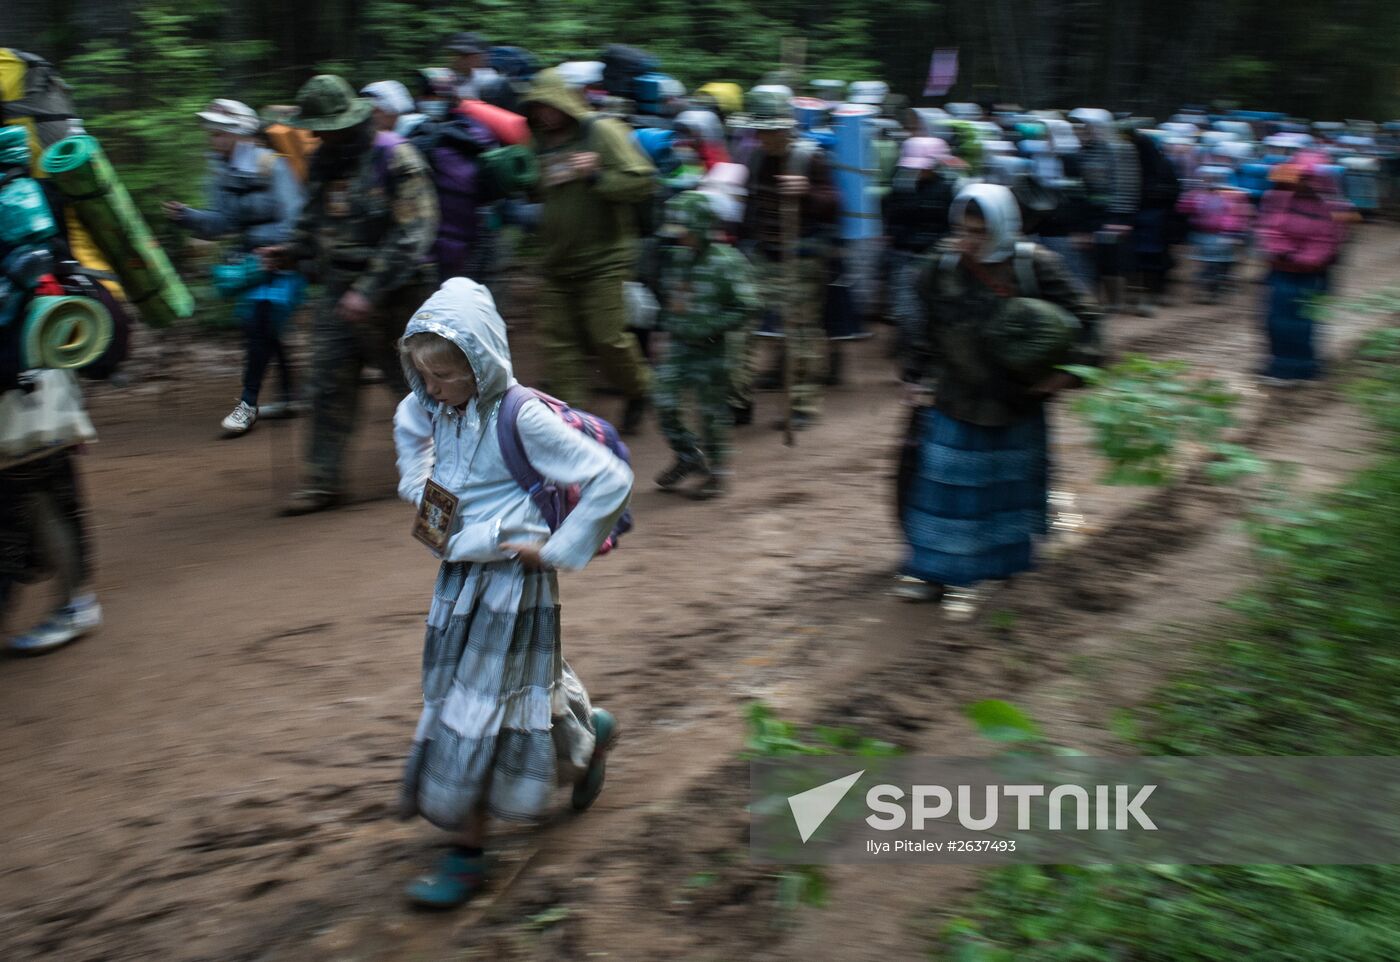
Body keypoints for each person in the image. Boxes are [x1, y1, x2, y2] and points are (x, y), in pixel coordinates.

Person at [392, 277, 631, 909]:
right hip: (460, 581)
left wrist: (552, 550)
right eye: (424, 374)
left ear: (482, 362)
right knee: (516, 689)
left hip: (513, 584)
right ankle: (591, 738)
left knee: (471, 707)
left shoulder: (520, 414)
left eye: (446, 376)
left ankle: (468, 856)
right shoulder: (434, 406)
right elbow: (416, 456)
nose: (432, 389)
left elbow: (608, 479)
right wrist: (427, 499)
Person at [897, 184, 1103, 606]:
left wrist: (1066, 374)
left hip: (1017, 402)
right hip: (954, 398)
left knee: (1003, 492)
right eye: (962, 229)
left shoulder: (1036, 266)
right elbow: (924, 328)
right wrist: (915, 378)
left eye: (980, 231)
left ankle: (998, 568)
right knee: (943, 492)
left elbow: (1088, 322)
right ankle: (933, 572)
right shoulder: (940, 266)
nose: (969, 241)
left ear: (1004, 226)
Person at [257, 75, 439, 515]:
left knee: (418, 387)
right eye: (316, 126)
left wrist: (369, 290)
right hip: (338, 292)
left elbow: (414, 232)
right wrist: (290, 250)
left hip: (395, 293)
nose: (319, 134)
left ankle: (454, 468)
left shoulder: (396, 158)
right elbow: (314, 220)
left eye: (327, 126)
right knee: (325, 383)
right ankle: (323, 482)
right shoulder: (323, 161)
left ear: (351, 121)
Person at [519, 68, 656, 434]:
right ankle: (573, 428)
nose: (544, 115)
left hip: (604, 260)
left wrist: (597, 176)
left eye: (549, 106)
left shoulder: (601, 132)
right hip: (556, 262)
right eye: (537, 108)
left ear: (565, 101)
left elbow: (642, 181)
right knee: (559, 347)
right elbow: (539, 190)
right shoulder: (539, 142)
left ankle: (640, 390)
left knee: (607, 338)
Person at [164, 99, 305, 435]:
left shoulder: (273, 166)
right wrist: (188, 217)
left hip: (284, 261)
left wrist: (283, 247)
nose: (213, 139)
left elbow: (296, 216)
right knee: (263, 328)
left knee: (262, 319)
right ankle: (288, 398)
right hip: (252, 265)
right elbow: (221, 225)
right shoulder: (222, 172)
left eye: (219, 133)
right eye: (212, 133)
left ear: (239, 133)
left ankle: (248, 403)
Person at [733, 89, 838, 432]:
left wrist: (806, 191)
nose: (764, 137)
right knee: (738, 326)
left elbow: (834, 204)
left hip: (802, 256)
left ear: (785, 129)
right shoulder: (755, 159)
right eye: (759, 131)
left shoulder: (810, 158)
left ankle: (802, 404)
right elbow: (749, 206)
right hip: (763, 255)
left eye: (770, 130)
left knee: (801, 334)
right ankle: (738, 399)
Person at [652, 191, 759, 499]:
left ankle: (718, 472)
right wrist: (663, 332)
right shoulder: (678, 259)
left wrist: (711, 326)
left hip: (714, 349)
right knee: (663, 401)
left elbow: (748, 305)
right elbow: (672, 300)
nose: (679, 237)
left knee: (711, 414)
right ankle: (688, 455)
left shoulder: (727, 262)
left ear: (700, 227)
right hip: (680, 345)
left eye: (684, 230)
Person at [1, 370, 103, 654]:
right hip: (41, 406)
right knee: (44, 503)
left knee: (38, 503)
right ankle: (75, 604)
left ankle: (75, 605)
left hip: (22, 414)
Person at [1255, 159, 1351, 382]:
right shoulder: (1279, 199)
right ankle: (1280, 363)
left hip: (1313, 273)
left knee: (1302, 321)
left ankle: (1301, 367)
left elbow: (1328, 239)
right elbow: (1268, 228)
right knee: (1275, 319)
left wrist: (1303, 259)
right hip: (1281, 268)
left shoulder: (1335, 207)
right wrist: (1282, 251)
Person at [883, 137, 958, 361]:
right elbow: (891, 216)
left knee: (935, 311)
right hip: (904, 255)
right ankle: (914, 355)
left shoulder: (951, 189)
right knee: (906, 310)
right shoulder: (901, 187)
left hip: (938, 260)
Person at [1177, 165, 1253, 303]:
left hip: (1225, 236)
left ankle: (1215, 289)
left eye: (1215, 178)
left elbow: (1237, 216)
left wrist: (1232, 234)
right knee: (1208, 264)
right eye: (1208, 178)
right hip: (1202, 235)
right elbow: (1184, 209)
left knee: (1221, 264)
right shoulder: (1197, 195)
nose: (1211, 181)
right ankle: (1208, 288)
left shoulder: (1234, 196)